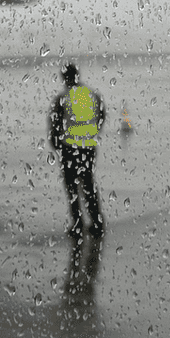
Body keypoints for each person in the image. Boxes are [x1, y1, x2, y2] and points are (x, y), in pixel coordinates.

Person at [47, 63, 106, 236]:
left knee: (72, 187)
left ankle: (78, 224)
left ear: (65, 78)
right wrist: (91, 134)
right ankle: (97, 222)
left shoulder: (63, 98)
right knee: (88, 185)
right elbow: (102, 116)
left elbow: (55, 125)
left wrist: (56, 143)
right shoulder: (92, 95)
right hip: (88, 147)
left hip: (69, 148)